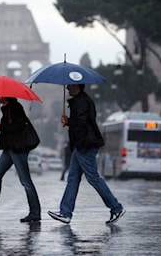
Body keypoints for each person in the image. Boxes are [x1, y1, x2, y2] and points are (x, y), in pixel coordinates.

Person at [48, 84, 125, 225]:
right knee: (73, 178)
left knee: (93, 178)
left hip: (85, 145)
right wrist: (69, 122)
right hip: (81, 144)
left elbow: (82, 125)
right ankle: (65, 213)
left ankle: (116, 207)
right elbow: (79, 122)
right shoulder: (80, 100)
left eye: (69, 85)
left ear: (77, 86)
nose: (67, 88)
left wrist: (78, 138)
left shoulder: (81, 101)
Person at [0, 97, 42, 223]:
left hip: (17, 149)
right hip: (9, 149)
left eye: (0, 95)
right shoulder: (6, 109)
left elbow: (18, 127)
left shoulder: (15, 108)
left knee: (25, 181)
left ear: (6, 96)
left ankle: (35, 212)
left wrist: (1, 127)